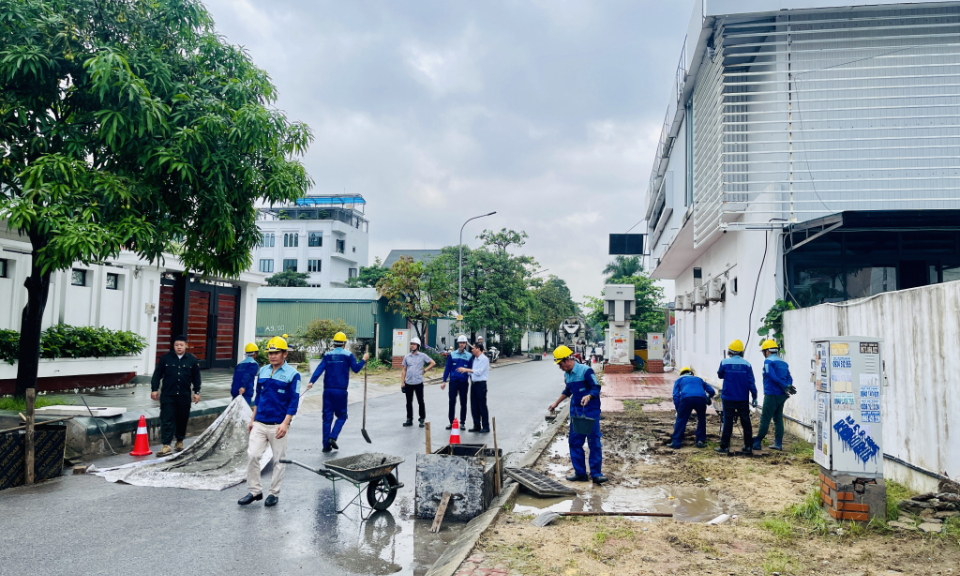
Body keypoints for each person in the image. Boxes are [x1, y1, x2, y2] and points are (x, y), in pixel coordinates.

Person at [238, 336, 300, 507]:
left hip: (278, 424)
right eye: (270, 353)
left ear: (285, 354)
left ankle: (274, 493)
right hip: (259, 421)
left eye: (276, 353)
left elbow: (293, 402)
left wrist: (285, 423)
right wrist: (252, 418)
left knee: (278, 460)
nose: (272, 356)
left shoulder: (293, 375)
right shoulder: (263, 371)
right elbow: (259, 397)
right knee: (253, 455)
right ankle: (255, 491)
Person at [547, 345, 607, 484]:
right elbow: (568, 391)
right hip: (576, 414)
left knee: (594, 443)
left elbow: (596, 387)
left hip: (590, 412)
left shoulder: (585, 371)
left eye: (560, 364)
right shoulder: (567, 375)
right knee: (574, 442)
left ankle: (596, 474)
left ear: (567, 359)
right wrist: (556, 403)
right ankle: (580, 473)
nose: (560, 367)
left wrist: (589, 396)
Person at [307, 332, 369, 452]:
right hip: (340, 391)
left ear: (334, 343)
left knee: (327, 418)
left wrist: (311, 382)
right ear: (345, 343)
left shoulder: (327, 355)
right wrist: (363, 360)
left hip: (327, 391)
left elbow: (319, 369)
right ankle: (332, 437)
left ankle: (326, 445)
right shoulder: (348, 355)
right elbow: (356, 369)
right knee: (342, 416)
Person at [150, 335, 201, 456]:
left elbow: (196, 378)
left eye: (181, 345)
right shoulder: (165, 359)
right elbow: (157, 374)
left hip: (184, 395)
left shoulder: (192, 360)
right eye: (176, 345)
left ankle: (179, 441)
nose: (179, 347)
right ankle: (166, 445)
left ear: (186, 346)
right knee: (167, 419)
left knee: (182, 418)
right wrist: (154, 389)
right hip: (168, 394)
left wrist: (197, 392)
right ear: (173, 346)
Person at [716, 339, 758, 455]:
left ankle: (724, 446)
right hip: (743, 398)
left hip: (728, 397)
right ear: (741, 352)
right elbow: (751, 382)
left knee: (728, 421)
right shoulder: (747, 364)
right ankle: (748, 446)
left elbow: (720, 375)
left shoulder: (724, 362)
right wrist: (754, 397)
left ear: (730, 352)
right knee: (746, 421)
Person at [753, 339, 795, 451]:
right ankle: (778, 443)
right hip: (782, 395)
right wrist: (787, 386)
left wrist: (785, 386)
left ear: (767, 351)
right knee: (778, 418)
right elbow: (789, 377)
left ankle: (757, 441)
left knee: (765, 418)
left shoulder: (768, 362)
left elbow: (772, 376)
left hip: (771, 393)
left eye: (763, 352)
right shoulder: (784, 363)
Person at [671, 367, 716, 449]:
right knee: (701, 419)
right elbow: (712, 391)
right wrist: (707, 398)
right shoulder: (699, 379)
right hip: (701, 399)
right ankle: (700, 441)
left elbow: (675, 395)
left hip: (686, 398)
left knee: (681, 419)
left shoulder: (679, 380)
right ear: (692, 374)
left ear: (681, 374)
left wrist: (678, 409)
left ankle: (676, 443)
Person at [401, 337, 435, 428]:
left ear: (418, 346)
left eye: (414, 344)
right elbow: (404, 369)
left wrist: (425, 370)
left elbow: (432, 363)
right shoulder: (407, 356)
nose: (412, 346)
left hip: (418, 382)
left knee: (420, 401)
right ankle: (409, 419)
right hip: (408, 382)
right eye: (411, 344)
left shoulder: (422, 355)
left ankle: (422, 419)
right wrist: (402, 382)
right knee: (408, 401)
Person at [442, 335, 473, 430]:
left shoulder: (469, 356)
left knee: (463, 403)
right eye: (460, 343)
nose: (462, 345)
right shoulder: (452, 355)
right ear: (458, 344)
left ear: (466, 344)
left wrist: (473, 382)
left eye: (463, 343)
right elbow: (448, 368)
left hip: (463, 382)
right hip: (453, 382)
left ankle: (462, 422)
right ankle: (451, 422)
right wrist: (444, 380)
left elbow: (471, 369)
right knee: (452, 402)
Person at [457, 342, 490, 433]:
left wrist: (466, 370)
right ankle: (477, 425)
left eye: (473, 348)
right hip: (474, 383)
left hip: (481, 384)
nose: (472, 350)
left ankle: (486, 426)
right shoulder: (475, 359)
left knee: (482, 405)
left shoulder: (484, 359)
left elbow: (479, 372)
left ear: (478, 349)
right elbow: (472, 372)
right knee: (474, 405)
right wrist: (463, 371)